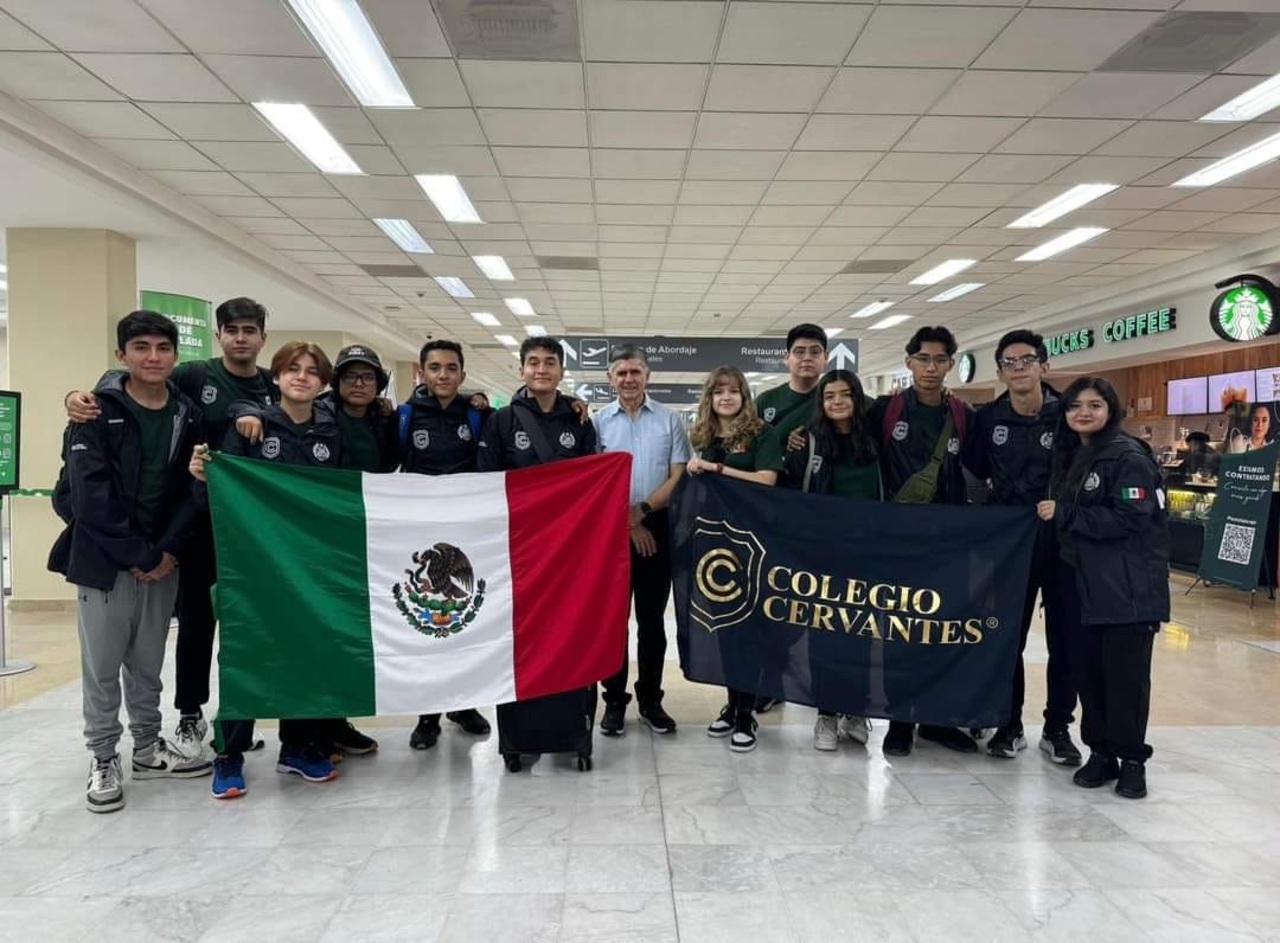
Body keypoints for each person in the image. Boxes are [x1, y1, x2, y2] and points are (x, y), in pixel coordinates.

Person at [63, 298, 276, 760]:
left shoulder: (262, 388)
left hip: (225, 535)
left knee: (181, 649)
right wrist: (78, 397)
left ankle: (202, 730)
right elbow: (128, 385)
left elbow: (191, 478)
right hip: (162, 542)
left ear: (263, 337)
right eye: (232, 329)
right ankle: (168, 725)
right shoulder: (191, 378)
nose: (241, 337)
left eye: (250, 330)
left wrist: (165, 549)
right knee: (181, 633)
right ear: (218, 335)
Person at [49, 311, 212, 813]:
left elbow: (190, 490)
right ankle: (103, 756)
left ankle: (146, 745)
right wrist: (141, 555)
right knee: (102, 665)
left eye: (163, 348)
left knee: (147, 662)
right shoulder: (95, 413)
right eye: (141, 347)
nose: (153, 357)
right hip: (105, 562)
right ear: (122, 355)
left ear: (176, 355)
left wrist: (166, 552)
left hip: (162, 560)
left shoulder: (186, 412)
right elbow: (88, 498)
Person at [191, 341, 344, 799]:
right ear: (275, 377)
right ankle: (229, 753)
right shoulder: (251, 426)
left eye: (312, 371)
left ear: (322, 383)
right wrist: (203, 475)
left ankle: (298, 747)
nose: (302, 377)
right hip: (253, 566)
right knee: (246, 657)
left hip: (309, 567)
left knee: (306, 653)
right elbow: (219, 493)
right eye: (292, 369)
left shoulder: (330, 432)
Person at [1037, 377, 1169, 800]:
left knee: (1125, 678)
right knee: (1088, 673)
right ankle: (1101, 753)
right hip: (1080, 585)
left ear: (1111, 410)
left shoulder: (1128, 456)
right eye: (1075, 406)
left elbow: (1132, 516)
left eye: (1094, 405)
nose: (1084, 413)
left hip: (1125, 589)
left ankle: (1132, 760)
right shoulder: (1072, 454)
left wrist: (1066, 514)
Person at [966, 331, 1081, 766]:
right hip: (1010, 545)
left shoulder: (1067, 415)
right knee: (1005, 638)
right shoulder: (987, 420)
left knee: (1064, 641)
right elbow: (976, 470)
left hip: (1061, 542)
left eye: (1027, 360)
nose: (1018, 368)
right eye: (1009, 362)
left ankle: (1057, 728)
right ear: (999, 372)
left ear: (1043, 367)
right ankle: (1008, 723)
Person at [869, 325, 978, 757]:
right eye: (923, 359)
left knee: (943, 629)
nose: (930, 368)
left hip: (947, 541)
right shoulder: (885, 410)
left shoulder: (965, 416)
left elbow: (984, 470)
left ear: (951, 364)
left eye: (939, 360)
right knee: (900, 629)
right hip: (897, 540)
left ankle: (937, 719)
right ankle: (900, 720)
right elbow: (842, 440)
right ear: (909, 362)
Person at [399, 340, 494, 749]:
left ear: (462, 373)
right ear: (421, 372)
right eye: (435, 367)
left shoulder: (477, 414)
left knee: (466, 621)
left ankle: (464, 704)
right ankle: (428, 715)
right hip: (421, 533)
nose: (443, 375)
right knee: (427, 625)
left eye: (451, 368)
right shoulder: (404, 416)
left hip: (467, 534)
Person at [593, 345, 692, 737]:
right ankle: (614, 702)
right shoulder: (598, 423)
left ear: (648, 376)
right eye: (621, 373)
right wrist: (628, 522)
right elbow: (594, 480)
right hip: (610, 532)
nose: (629, 379)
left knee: (652, 622)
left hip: (658, 529)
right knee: (612, 622)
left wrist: (643, 512)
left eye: (636, 372)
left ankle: (651, 700)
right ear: (610, 379)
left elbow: (678, 475)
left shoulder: (670, 420)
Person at [687, 365, 784, 753]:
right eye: (718, 391)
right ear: (709, 398)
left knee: (749, 629)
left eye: (733, 391)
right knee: (725, 628)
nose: (725, 397)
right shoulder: (704, 437)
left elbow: (766, 480)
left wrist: (717, 469)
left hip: (754, 545)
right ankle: (732, 704)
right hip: (715, 545)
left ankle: (747, 714)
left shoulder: (761, 433)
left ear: (744, 396)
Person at [782, 369, 880, 752]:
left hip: (868, 551)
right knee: (824, 634)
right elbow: (790, 494)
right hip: (822, 553)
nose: (837, 402)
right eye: (829, 396)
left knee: (861, 634)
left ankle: (854, 710)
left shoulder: (876, 439)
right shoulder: (806, 442)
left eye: (845, 394)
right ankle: (825, 713)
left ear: (857, 398)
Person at [755, 323, 827, 711]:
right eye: (799, 351)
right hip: (774, 521)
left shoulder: (836, 397)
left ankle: (825, 690)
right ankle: (771, 682)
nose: (806, 358)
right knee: (775, 604)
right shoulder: (767, 401)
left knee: (820, 609)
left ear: (825, 358)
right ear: (786, 358)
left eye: (815, 351)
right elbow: (746, 451)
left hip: (822, 523)